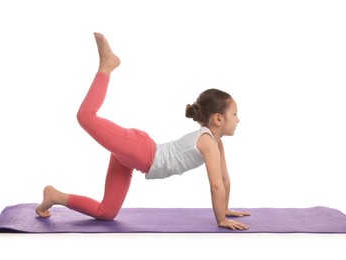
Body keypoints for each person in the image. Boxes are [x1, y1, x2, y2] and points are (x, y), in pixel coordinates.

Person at [35, 32, 250, 230]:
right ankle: (106, 66)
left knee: (106, 212)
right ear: (218, 118)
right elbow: (215, 186)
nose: (238, 120)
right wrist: (220, 219)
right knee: (85, 117)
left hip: (132, 159)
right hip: (140, 150)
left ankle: (54, 195)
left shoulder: (216, 142)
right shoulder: (207, 142)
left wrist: (226, 208)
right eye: (235, 114)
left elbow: (224, 180)